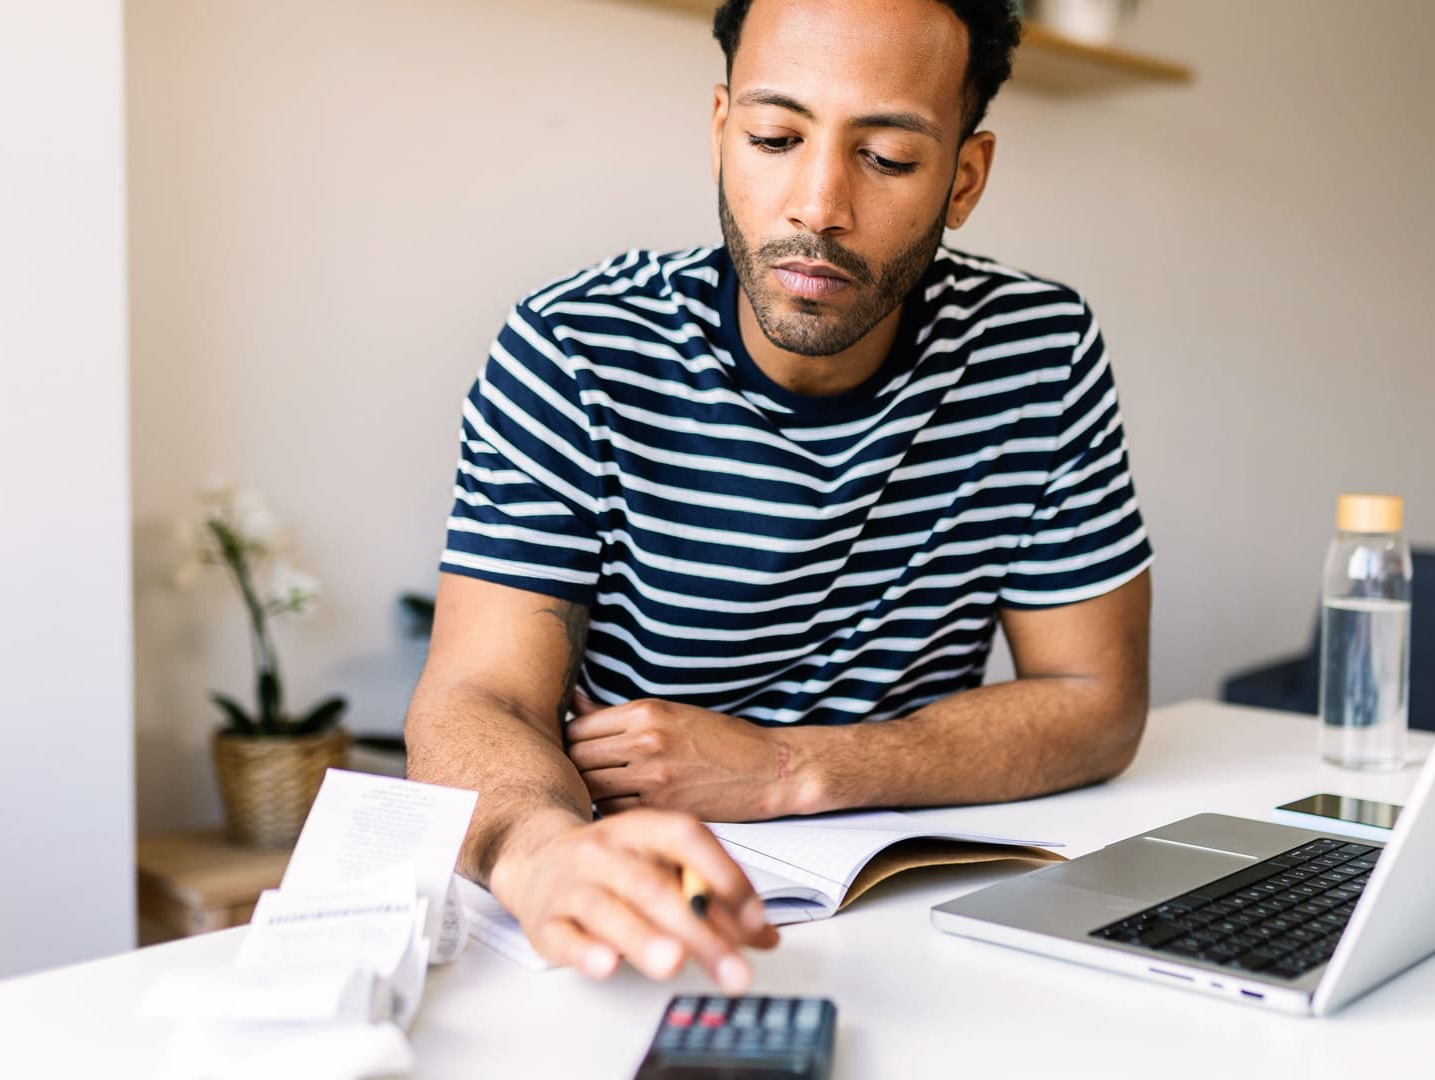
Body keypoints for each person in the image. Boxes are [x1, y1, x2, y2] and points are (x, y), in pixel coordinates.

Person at [405, 0, 1152, 994]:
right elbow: (476, 693)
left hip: (919, 912)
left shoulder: (1036, 351)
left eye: (886, 157)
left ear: (963, 179)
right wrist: (540, 850)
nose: (817, 204)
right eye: (774, 137)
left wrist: (794, 767)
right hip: (635, 921)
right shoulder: (573, 351)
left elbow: (1097, 706)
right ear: (721, 132)